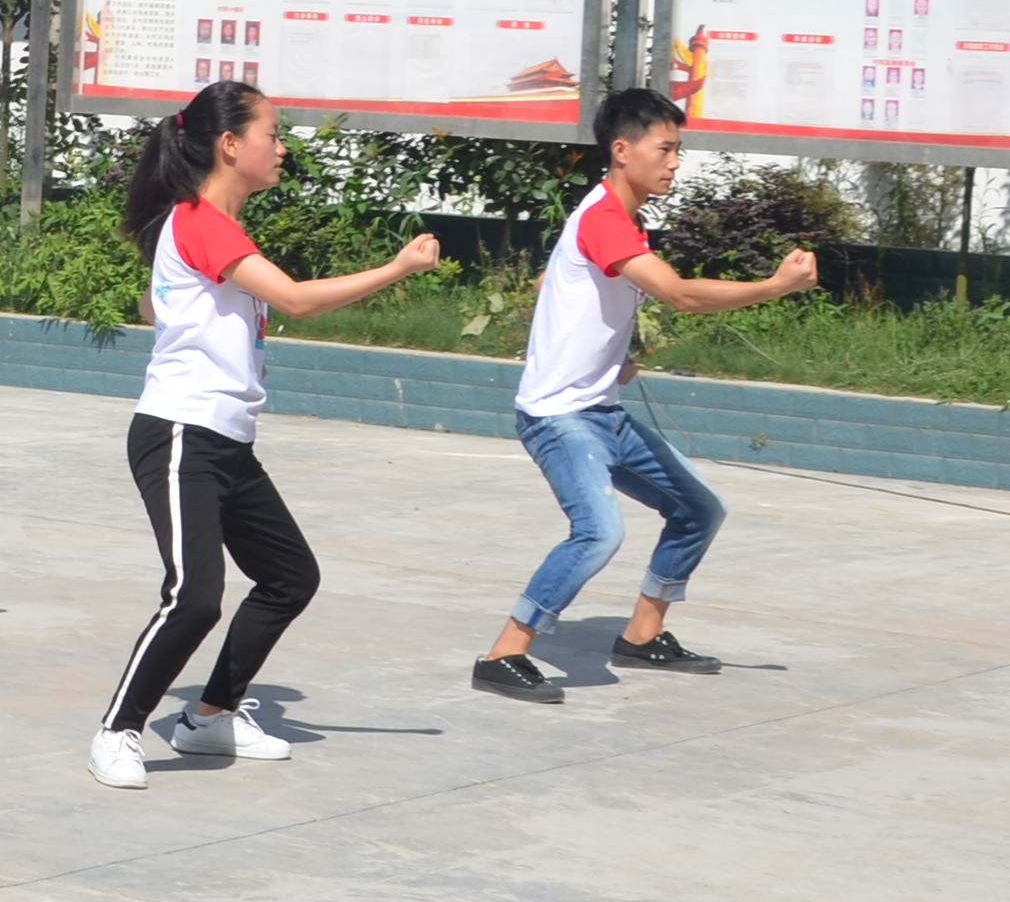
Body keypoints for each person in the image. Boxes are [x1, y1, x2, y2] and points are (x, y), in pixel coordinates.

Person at [87, 82, 448, 785]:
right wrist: (399, 266)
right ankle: (118, 728)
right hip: (180, 433)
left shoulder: (209, 226)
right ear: (230, 144)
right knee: (193, 595)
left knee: (289, 576)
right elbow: (296, 299)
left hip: (225, 438)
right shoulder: (202, 220)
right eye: (272, 133)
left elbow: (178, 303)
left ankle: (210, 714)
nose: (281, 147)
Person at [475, 87, 817, 703]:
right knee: (598, 531)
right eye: (666, 149)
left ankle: (641, 634)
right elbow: (679, 293)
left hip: (599, 412)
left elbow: (554, 280)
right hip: (559, 418)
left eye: (679, 150)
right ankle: (504, 653)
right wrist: (772, 286)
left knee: (698, 509)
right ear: (622, 149)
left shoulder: (616, 217)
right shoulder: (605, 217)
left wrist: (607, 356)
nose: (675, 162)